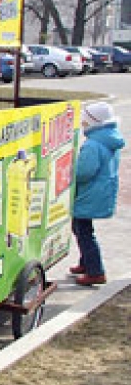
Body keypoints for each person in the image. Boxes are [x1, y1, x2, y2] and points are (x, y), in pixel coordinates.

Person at [69, 101, 124, 287]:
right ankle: (86, 263)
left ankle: (96, 271)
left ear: (95, 122)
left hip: (89, 194)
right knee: (82, 229)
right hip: (100, 191)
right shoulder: (109, 138)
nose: (82, 124)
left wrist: (70, 170)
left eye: (85, 121)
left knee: (83, 231)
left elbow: (84, 172)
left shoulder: (93, 144)